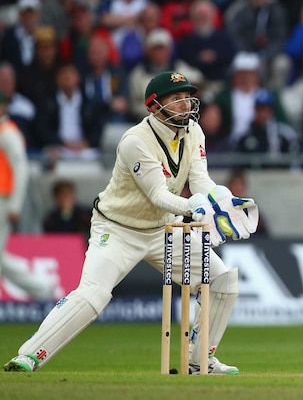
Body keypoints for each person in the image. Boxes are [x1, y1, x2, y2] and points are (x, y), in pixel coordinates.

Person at [4, 71, 258, 374]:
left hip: (164, 229)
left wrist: (220, 200)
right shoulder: (135, 141)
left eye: (187, 97)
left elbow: (200, 179)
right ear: (153, 105)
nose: (185, 104)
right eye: (175, 99)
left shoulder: (194, 131)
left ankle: (198, 359)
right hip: (118, 229)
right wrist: (195, 207)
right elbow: (157, 195)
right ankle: (29, 356)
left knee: (223, 281)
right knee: (94, 294)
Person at [0, 92, 56, 301]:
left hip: (4, 200)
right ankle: (43, 290)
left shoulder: (8, 132)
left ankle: (43, 290)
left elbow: (21, 169)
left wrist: (15, 205)